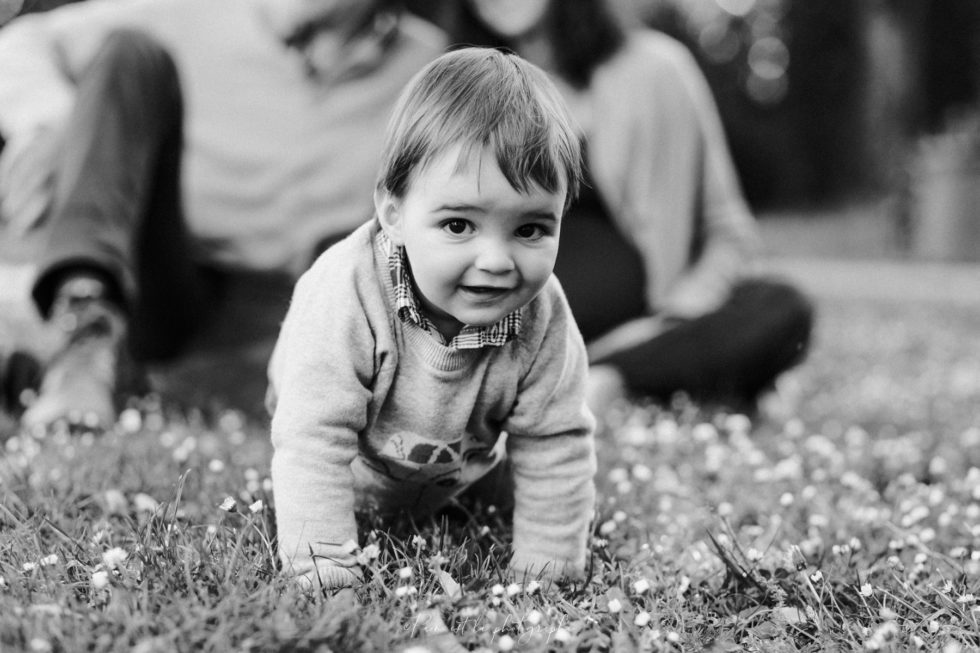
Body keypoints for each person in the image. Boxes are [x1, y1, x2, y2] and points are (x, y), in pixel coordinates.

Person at [0, 0, 445, 427]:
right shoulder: (193, 11)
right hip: (172, 280)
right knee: (129, 54)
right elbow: (20, 42)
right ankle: (85, 337)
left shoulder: (428, 67)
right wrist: (50, 118)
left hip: (297, 312)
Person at [267, 48, 596, 589]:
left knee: (530, 490)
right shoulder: (347, 292)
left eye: (531, 230)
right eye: (460, 225)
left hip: (456, 472)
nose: (496, 261)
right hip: (343, 471)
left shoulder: (543, 317)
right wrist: (322, 568)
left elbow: (555, 439)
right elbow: (312, 435)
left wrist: (549, 570)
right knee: (316, 464)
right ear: (393, 214)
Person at [439, 0, 814, 415]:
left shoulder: (657, 68)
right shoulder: (462, 89)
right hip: (507, 319)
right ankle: (648, 375)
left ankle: (607, 375)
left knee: (781, 307)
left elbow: (728, 228)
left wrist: (681, 311)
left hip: (645, 318)